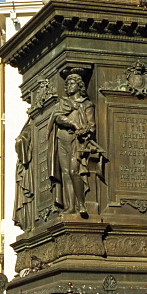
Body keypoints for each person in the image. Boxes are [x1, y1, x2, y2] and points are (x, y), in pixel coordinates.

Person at [48, 70, 106, 215]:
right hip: (62, 139)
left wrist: (84, 132)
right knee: (66, 173)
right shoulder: (63, 103)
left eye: (72, 83)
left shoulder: (86, 104)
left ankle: (82, 205)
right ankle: (70, 206)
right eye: (67, 83)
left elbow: (91, 125)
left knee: (74, 171)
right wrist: (72, 124)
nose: (68, 86)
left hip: (77, 141)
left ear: (79, 86)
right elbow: (58, 117)